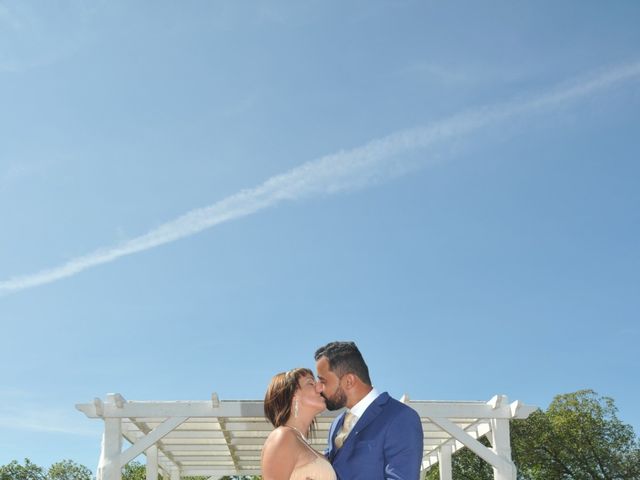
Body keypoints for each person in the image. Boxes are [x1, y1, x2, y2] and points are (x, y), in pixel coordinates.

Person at [315, 341, 424, 479]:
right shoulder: (337, 424)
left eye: (323, 381)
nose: (318, 388)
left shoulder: (400, 417)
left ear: (349, 381)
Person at [261, 367, 337, 480]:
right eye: (310, 383)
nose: (320, 387)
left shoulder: (305, 446)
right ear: (293, 397)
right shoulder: (283, 437)